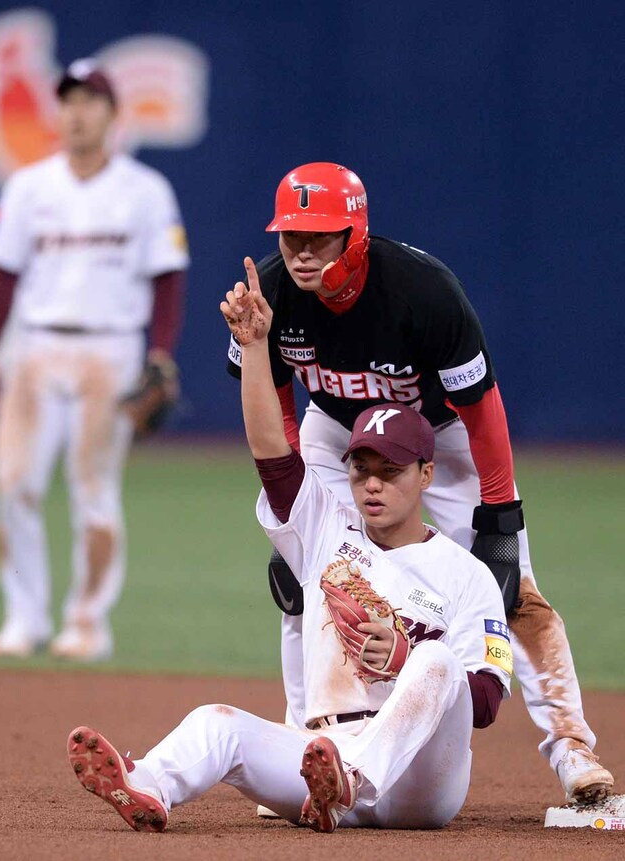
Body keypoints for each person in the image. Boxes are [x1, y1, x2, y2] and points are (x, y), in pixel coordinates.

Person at [66, 271, 511, 833]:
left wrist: (405, 658)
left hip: (421, 780)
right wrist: (255, 349)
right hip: (319, 760)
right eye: (361, 468)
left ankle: (355, 776)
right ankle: (147, 786)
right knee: (217, 723)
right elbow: (271, 453)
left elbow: (489, 699)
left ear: (427, 474)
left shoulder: (466, 574)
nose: (372, 484)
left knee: (437, 660)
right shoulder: (326, 528)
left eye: (390, 471)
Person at [226, 162, 613, 804]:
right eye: (292, 235)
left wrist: (501, 514)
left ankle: (572, 750)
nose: (300, 251)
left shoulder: (423, 292)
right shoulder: (268, 292)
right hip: (335, 433)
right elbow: (277, 402)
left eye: (319, 236)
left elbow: (482, 408)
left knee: (515, 592)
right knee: (309, 585)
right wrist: (297, 517)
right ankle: (305, 747)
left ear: (356, 233)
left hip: (443, 434)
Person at [0, 59, 189, 660]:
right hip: (36, 346)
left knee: (93, 488)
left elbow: (168, 279)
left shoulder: (145, 191)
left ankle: (87, 623)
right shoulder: (29, 186)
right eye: (67, 100)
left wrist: (160, 353)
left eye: (90, 100)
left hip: (110, 348)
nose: (76, 111)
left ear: (113, 113)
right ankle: (24, 618)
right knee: (14, 483)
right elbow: (3, 272)